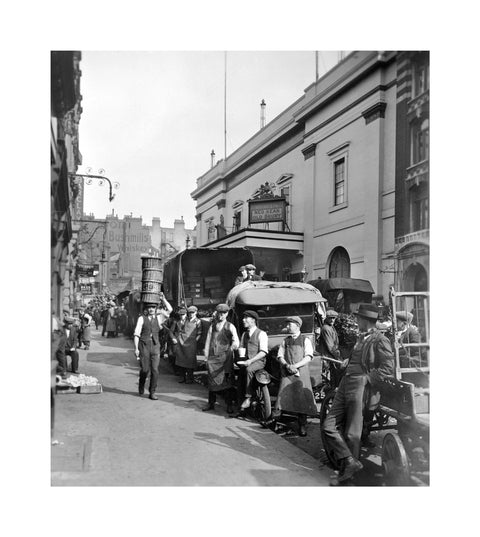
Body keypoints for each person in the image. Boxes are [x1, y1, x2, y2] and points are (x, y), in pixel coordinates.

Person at [321, 303, 394, 484]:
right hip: (346, 381)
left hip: (360, 384)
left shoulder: (379, 339)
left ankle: (349, 474)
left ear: (364, 320)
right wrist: (349, 360)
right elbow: (359, 358)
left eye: (358, 318)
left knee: (353, 433)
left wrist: (367, 379)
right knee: (328, 425)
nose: (355, 320)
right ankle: (349, 462)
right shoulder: (361, 337)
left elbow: (387, 368)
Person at [274, 316, 317, 436]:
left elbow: (308, 356)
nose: (287, 326)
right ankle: (279, 422)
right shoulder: (285, 341)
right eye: (287, 324)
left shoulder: (305, 340)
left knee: (301, 399)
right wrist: (287, 365)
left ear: (297, 326)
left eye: (289, 324)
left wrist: (296, 366)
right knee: (283, 397)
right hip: (287, 373)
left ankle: (302, 425)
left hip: (301, 373)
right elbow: (280, 356)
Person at [202, 303, 239, 412]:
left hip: (225, 359)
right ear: (216, 313)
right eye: (219, 313)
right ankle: (211, 404)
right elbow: (208, 341)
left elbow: (236, 340)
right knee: (211, 380)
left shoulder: (230, 326)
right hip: (213, 358)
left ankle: (229, 405)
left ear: (227, 314)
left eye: (223, 314)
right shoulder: (212, 326)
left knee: (227, 381)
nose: (220, 316)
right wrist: (206, 357)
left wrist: (233, 346)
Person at [133, 302, 166, 400]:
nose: (151, 309)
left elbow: (170, 310)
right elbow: (136, 334)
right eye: (149, 307)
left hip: (155, 346)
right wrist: (136, 349)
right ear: (146, 309)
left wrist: (163, 299)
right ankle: (141, 383)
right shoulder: (141, 318)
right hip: (144, 346)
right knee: (145, 370)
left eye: (153, 307)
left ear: (156, 309)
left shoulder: (159, 318)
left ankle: (152, 392)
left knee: (155, 370)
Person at [238, 310, 269, 410]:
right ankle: (240, 406)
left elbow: (263, 352)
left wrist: (250, 361)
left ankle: (248, 398)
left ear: (253, 320)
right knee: (240, 376)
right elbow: (241, 348)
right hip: (247, 361)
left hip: (258, 362)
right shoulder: (244, 335)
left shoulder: (261, 334)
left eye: (246, 318)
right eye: (244, 318)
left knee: (248, 370)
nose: (243, 320)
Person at [172, 305, 202, 384]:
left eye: (193, 312)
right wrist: (178, 339)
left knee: (190, 361)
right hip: (182, 342)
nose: (191, 314)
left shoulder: (198, 321)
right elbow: (180, 329)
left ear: (196, 312)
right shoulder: (185, 320)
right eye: (190, 313)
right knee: (181, 359)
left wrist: (195, 341)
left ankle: (190, 378)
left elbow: (199, 333)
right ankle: (182, 377)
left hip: (191, 344)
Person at [318, 309, 345, 387]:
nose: (332, 320)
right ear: (326, 318)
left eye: (334, 318)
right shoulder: (326, 328)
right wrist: (338, 358)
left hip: (332, 355)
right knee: (332, 378)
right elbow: (330, 346)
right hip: (328, 357)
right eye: (330, 318)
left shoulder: (331, 327)